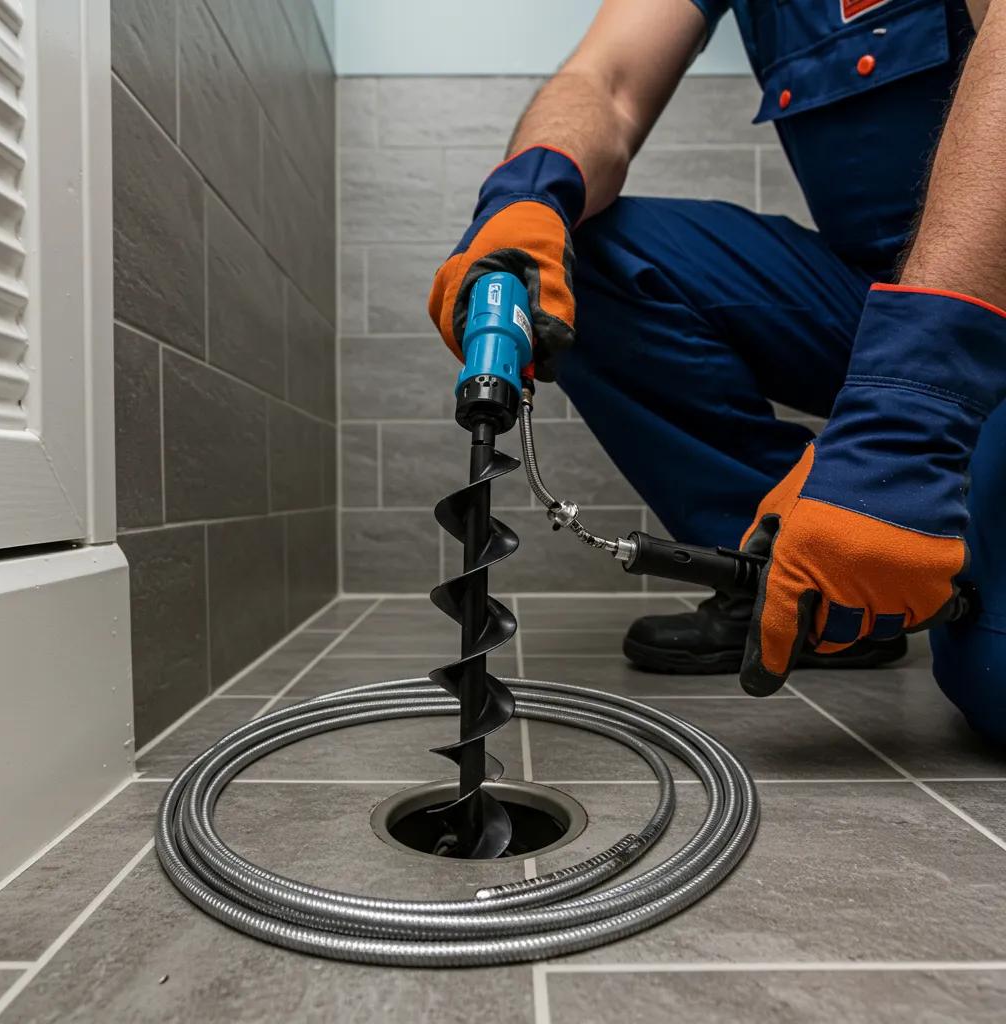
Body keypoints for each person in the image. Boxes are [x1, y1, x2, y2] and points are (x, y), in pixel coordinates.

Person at [428, 0, 1006, 741]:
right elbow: (602, 80)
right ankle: (790, 586)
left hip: (981, 301)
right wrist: (524, 199)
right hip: (866, 298)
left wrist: (901, 428)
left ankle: (881, 531)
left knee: (993, 675)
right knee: (591, 262)